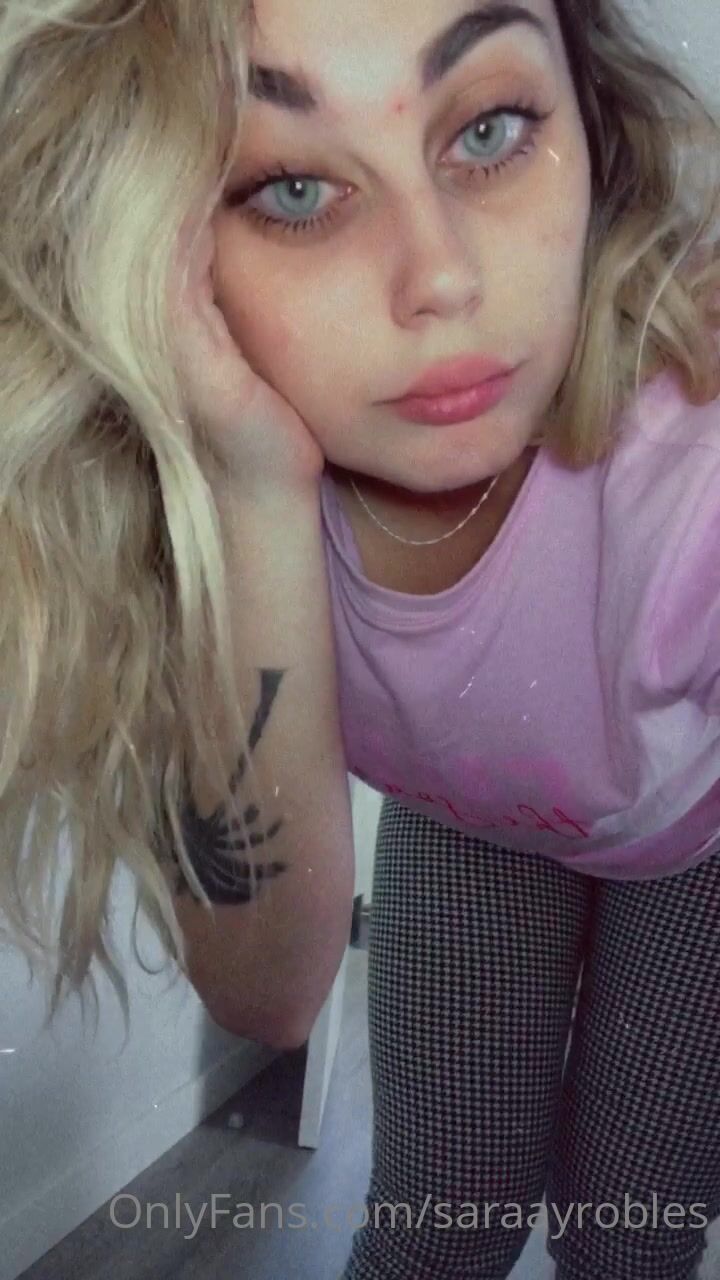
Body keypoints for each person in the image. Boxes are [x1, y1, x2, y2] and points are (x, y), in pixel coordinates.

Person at [1, 1, 720, 1277]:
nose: (440, 277)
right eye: (292, 188)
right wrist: (254, 486)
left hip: (696, 851)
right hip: (470, 819)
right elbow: (270, 991)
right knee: (435, 1224)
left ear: (592, 119)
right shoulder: (205, 491)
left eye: (490, 130)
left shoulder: (691, 466)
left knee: (634, 1229)